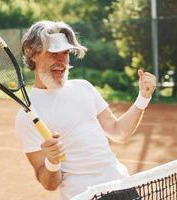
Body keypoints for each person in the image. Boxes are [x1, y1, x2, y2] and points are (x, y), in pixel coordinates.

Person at [15, 20, 156, 200]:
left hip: (122, 188)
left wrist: (143, 98)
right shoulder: (26, 115)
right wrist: (52, 162)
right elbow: (49, 184)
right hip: (84, 196)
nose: (61, 60)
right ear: (31, 52)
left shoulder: (84, 87)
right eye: (53, 53)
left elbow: (119, 132)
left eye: (65, 52)